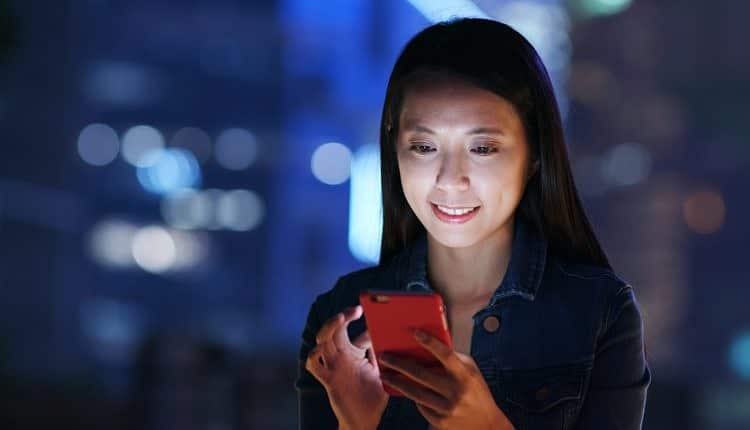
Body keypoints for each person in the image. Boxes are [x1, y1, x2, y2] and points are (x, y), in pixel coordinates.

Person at [294, 17, 651, 430]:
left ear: (535, 154)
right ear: (394, 151)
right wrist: (357, 424)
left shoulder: (598, 314)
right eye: (424, 146)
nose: (449, 178)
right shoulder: (343, 319)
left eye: (482, 147)